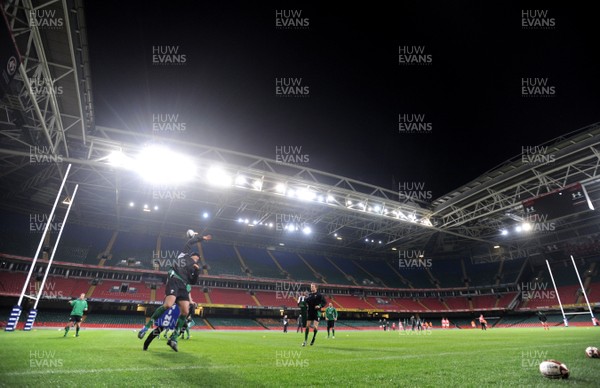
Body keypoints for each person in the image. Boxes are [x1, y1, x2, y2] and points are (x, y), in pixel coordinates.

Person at [137, 230, 212, 352]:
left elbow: (193, 282)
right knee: (168, 305)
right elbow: (191, 241)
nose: (196, 259)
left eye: (198, 259)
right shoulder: (183, 255)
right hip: (175, 280)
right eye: (195, 257)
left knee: (185, 311)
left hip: (183, 285)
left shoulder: (193, 267)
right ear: (191, 255)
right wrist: (202, 238)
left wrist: (197, 271)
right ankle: (145, 328)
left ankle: (173, 338)